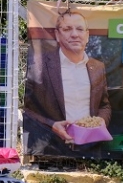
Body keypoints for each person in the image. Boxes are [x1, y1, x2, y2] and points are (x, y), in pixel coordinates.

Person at [23, 9, 111, 157]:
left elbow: (104, 105)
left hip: (90, 150)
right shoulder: (40, 66)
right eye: (67, 29)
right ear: (57, 35)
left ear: (87, 35)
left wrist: (100, 122)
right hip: (52, 150)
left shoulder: (98, 67)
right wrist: (51, 125)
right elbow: (27, 109)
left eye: (80, 29)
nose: (75, 34)